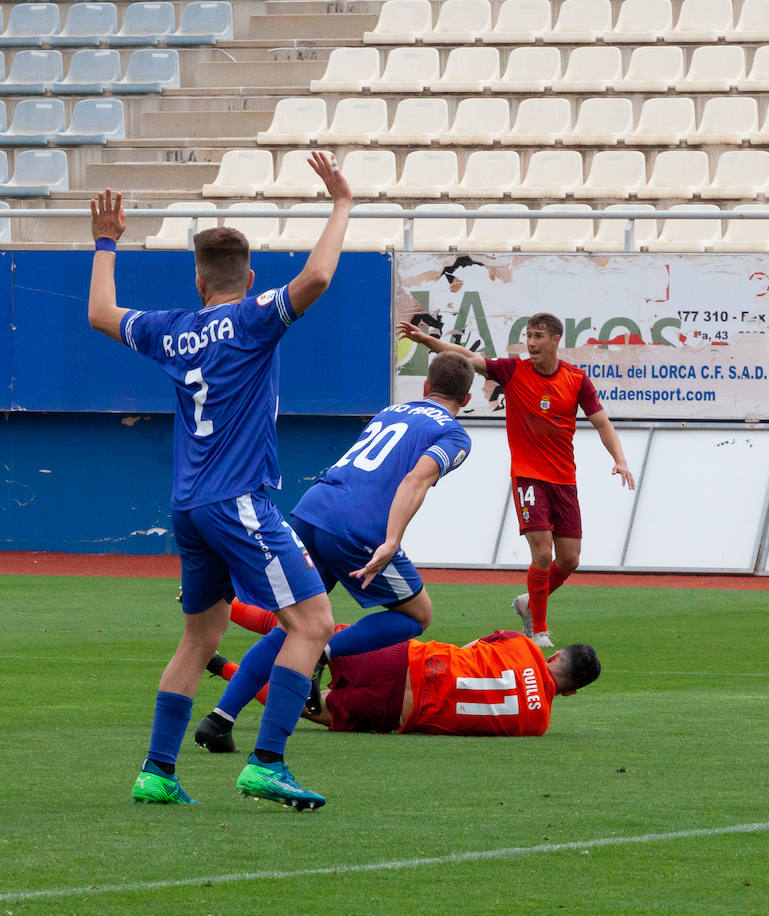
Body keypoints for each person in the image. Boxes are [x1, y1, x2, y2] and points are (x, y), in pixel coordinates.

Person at [86, 151, 352, 809]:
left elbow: (100, 312)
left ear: (199, 283)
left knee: (200, 636)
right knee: (313, 624)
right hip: (238, 502)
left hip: (188, 507)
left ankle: (156, 771)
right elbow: (317, 275)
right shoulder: (258, 317)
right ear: (249, 277)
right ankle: (267, 762)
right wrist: (341, 202)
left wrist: (106, 242)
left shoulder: (172, 330)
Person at [193, 352, 477, 752]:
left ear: (425, 388)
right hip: (355, 526)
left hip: (313, 508)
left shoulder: (391, 411)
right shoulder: (455, 435)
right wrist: (391, 540)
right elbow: (416, 479)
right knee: (418, 615)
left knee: (296, 624)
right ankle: (326, 652)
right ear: (466, 400)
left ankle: (220, 719)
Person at [397, 312, 635, 648]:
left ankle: (527, 601)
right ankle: (538, 630)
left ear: (555, 340)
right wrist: (427, 342)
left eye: (539, 336)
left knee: (569, 560)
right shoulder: (513, 371)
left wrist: (620, 460)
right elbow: (467, 358)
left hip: (564, 479)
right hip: (528, 477)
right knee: (542, 552)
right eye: (529, 336)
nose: (532, 343)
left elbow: (601, 423)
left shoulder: (576, 380)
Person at [203, 599, 600, 740]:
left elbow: (471, 650)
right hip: (398, 711)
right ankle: (221, 666)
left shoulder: (522, 643)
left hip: (404, 659)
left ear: (553, 656)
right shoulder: (538, 723)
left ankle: (220, 602)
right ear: (569, 692)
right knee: (306, 706)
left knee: (306, 631)